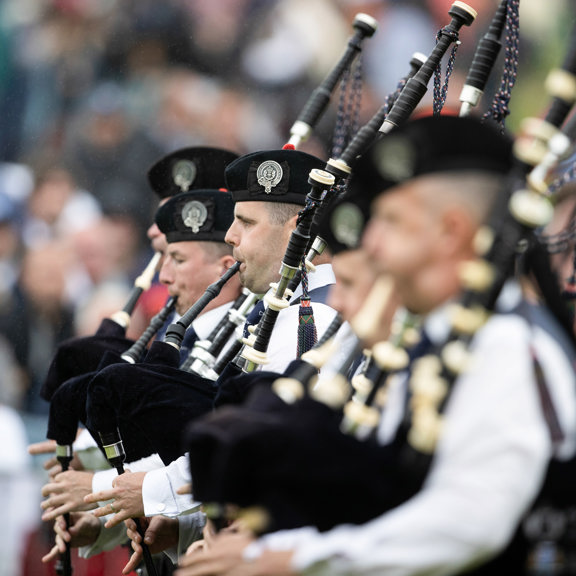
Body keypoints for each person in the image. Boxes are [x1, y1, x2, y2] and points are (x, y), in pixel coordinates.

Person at [172, 114, 576, 576]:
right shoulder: (433, 348)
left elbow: (469, 522)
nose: (374, 243)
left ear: (451, 232)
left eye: (392, 221)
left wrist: (293, 560)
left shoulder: (505, 348)